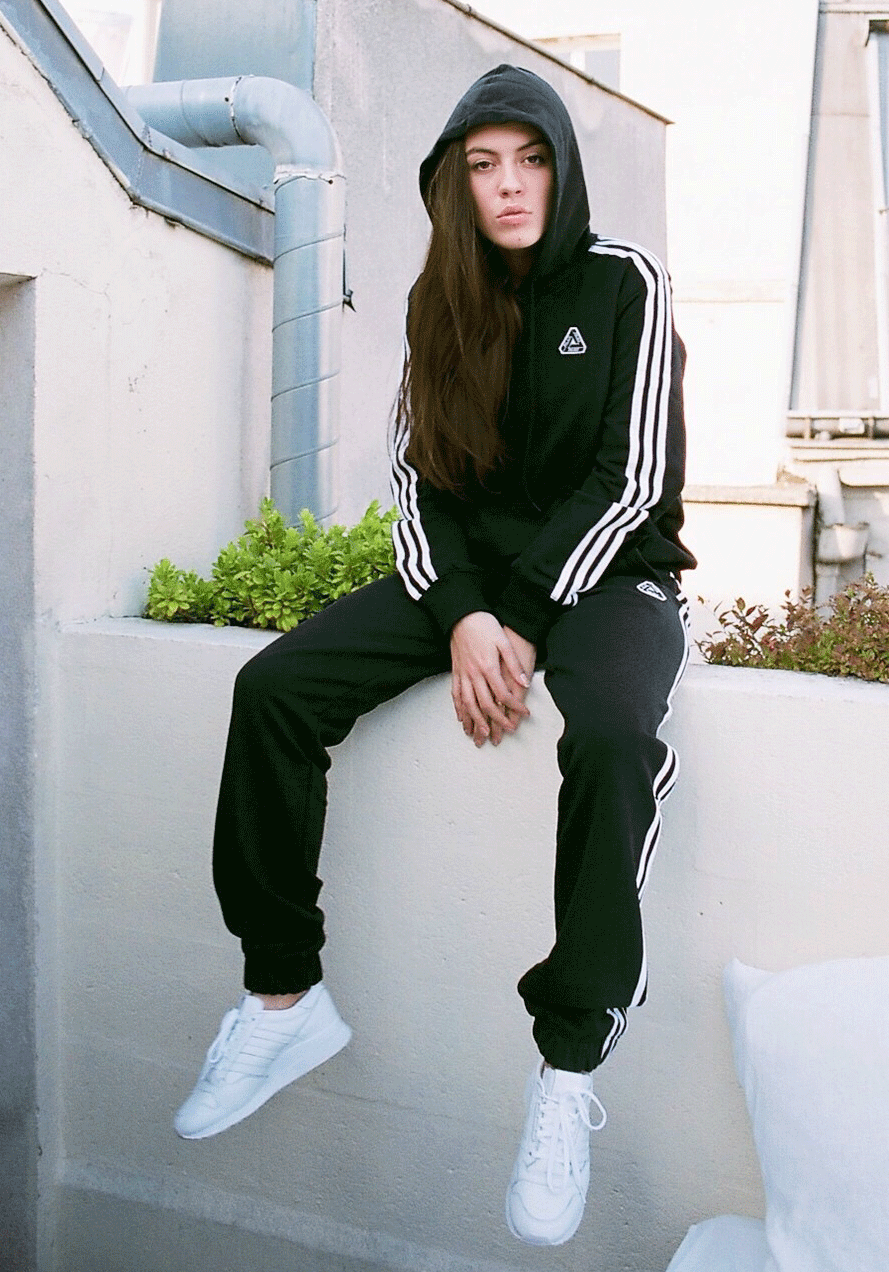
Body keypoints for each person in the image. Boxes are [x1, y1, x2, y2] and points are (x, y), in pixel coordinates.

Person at [172, 63, 695, 1248]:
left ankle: (568, 1063)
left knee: (612, 738)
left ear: (562, 170)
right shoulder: (439, 302)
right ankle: (282, 994)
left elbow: (633, 480)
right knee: (274, 688)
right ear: (453, 183)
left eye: (531, 160)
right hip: (475, 590)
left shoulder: (625, 282)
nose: (509, 185)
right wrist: (463, 615)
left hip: (612, 577)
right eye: (483, 164)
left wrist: (520, 617)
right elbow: (420, 486)